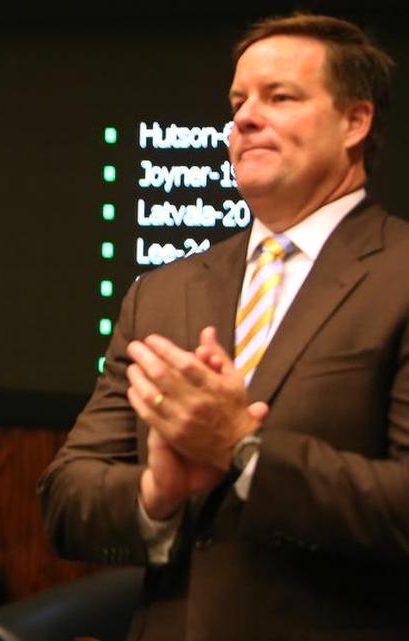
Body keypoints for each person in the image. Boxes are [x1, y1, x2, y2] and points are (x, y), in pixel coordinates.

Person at [39, 13, 409, 640]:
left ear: (356, 121)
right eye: (238, 102)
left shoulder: (399, 274)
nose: (244, 118)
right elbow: (67, 500)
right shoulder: (163, 292)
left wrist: (244, 451)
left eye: (280, 97)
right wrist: (156, 492)